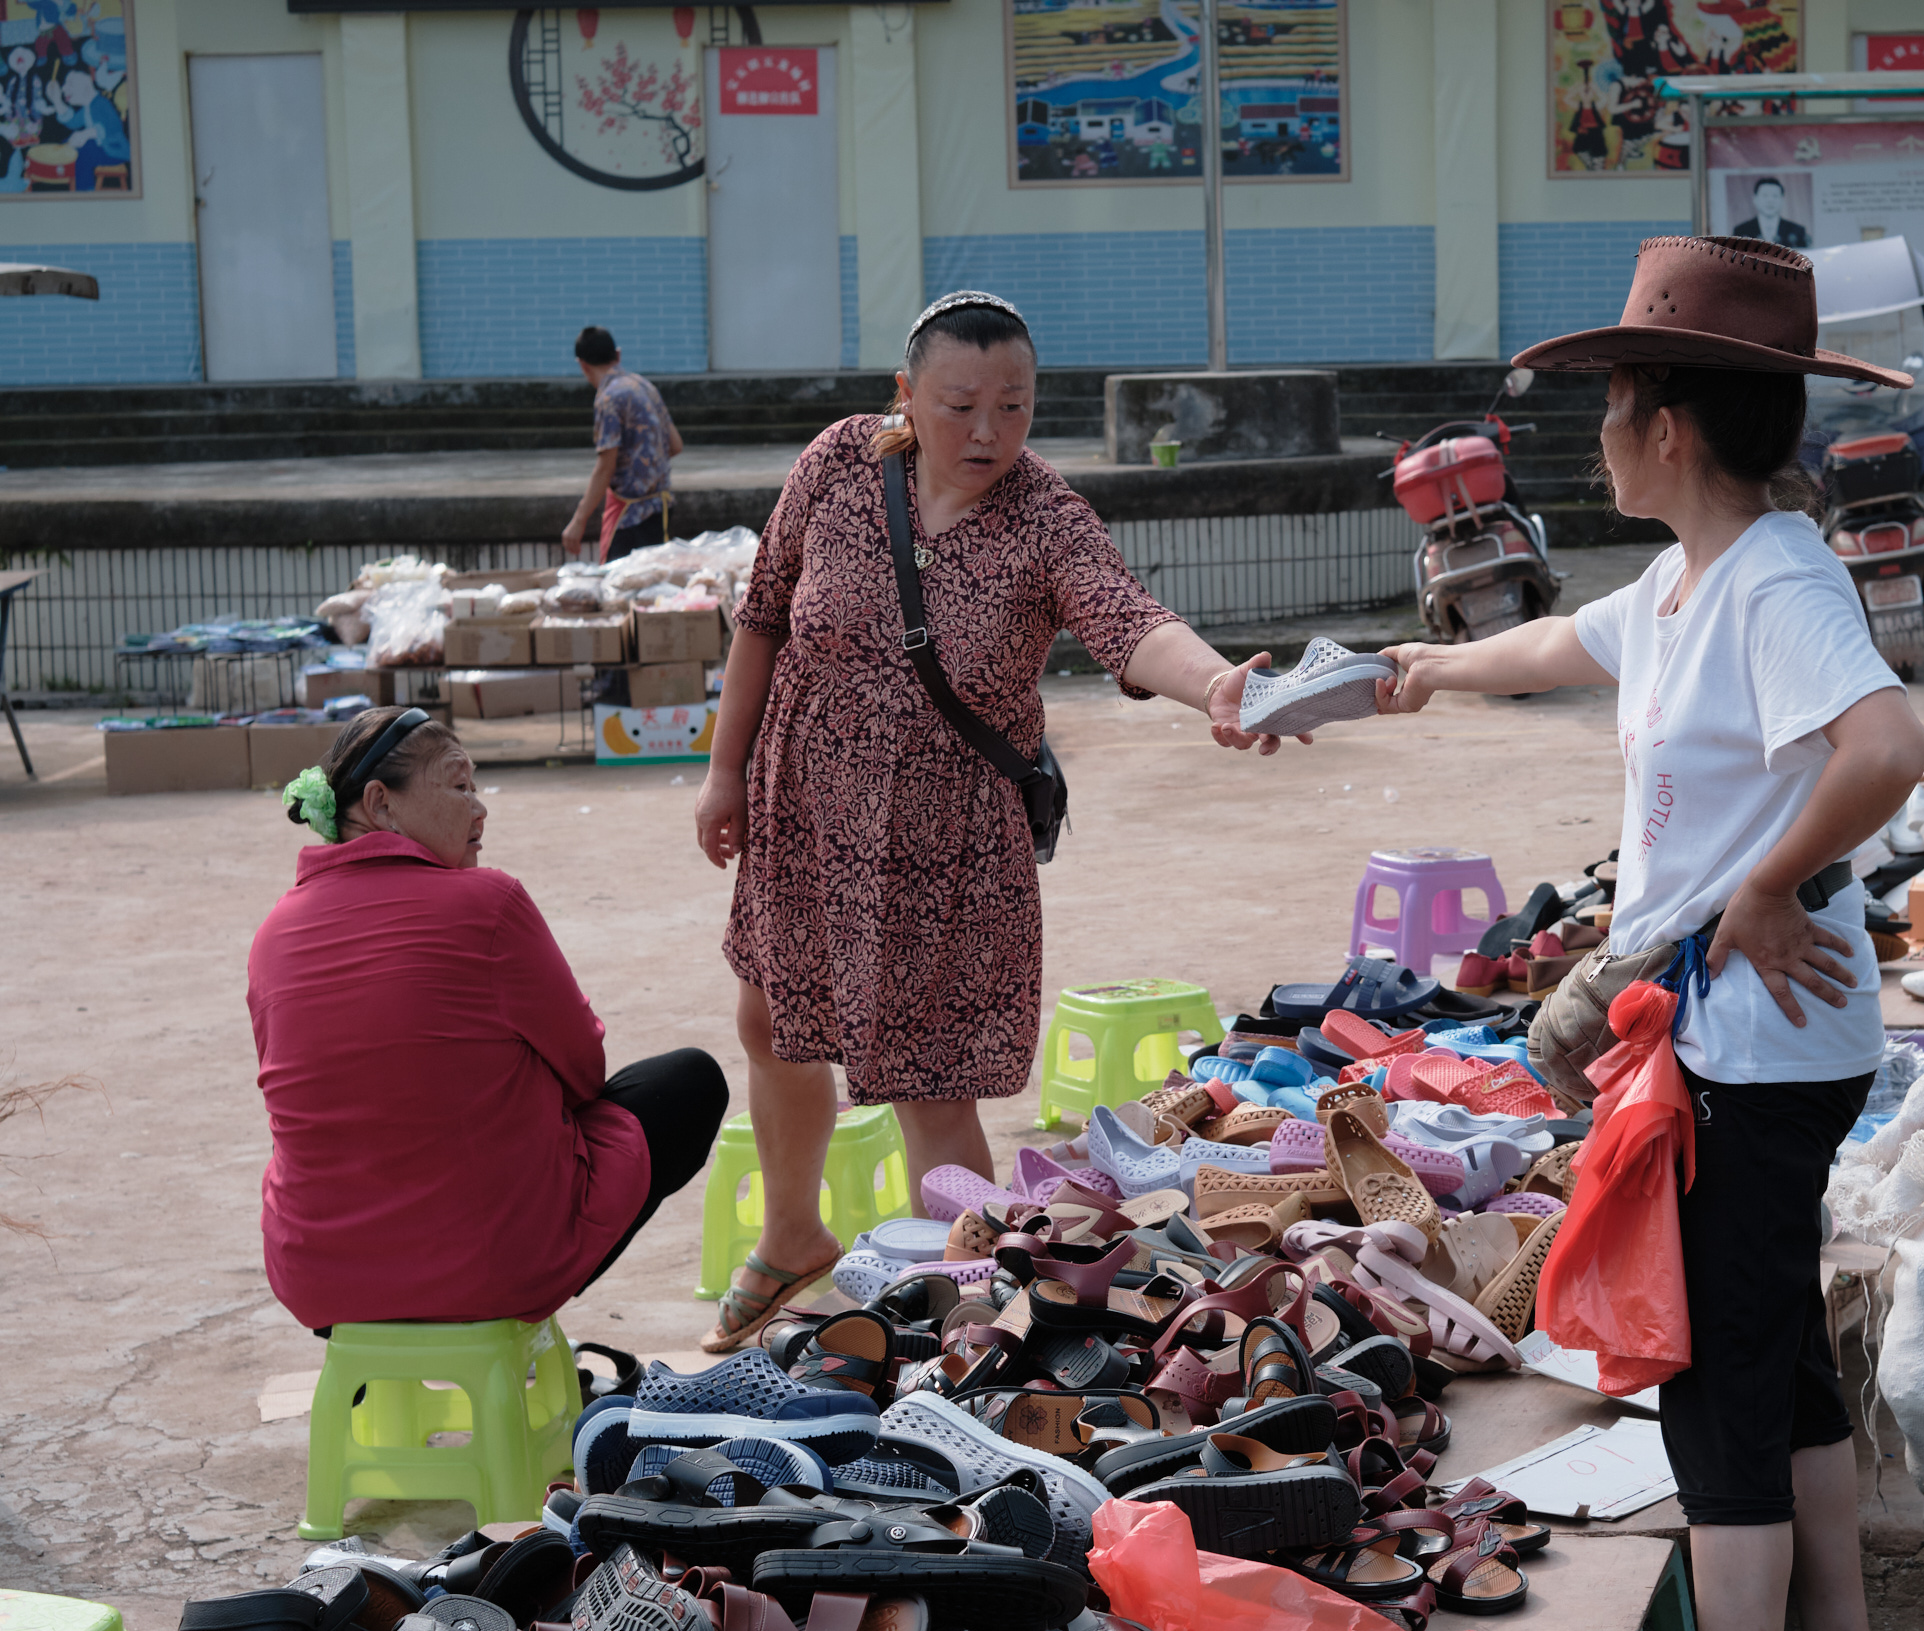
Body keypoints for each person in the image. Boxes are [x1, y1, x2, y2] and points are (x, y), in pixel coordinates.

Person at [1375, 235, 1924, 1631]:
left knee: (1719, 1388)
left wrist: (1757, 884)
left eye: (1611, 404)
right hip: (1729, 1044)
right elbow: (1565, 639)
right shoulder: (1691, 581)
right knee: (1774, 1348)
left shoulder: (1776, 580)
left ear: (1666, 426)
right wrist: (1431, 669)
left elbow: (1889, 745)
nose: (1598, 431)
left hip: (1758, 1052)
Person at [692, 290, 1301, 1354]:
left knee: (929, 1080)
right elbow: (762, 615)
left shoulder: (1046, 518)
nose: (987, 432)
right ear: (906, 398)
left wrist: (1212, 685)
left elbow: (1126, 617)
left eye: (1013, 407)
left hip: (947, 834)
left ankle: (966, 1317)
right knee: (769, 1016)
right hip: (805, 801)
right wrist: (723, 770)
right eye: (960, 404)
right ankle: (792, 1234)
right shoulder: (839, 463)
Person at [252, 707, 725, 1330]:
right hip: (489, 1272)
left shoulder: (273, 933)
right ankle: (505, 1313)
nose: (480, 808)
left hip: (322, 1281)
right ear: (380, 804)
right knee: (688, 1082)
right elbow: (585, 1073)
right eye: (458, 785)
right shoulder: (487, 903)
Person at [563, 326, 684, 564]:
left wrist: (578, 521)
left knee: (620, 594)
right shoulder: (644, 385)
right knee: (652, 592)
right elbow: (675, 444)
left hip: (630, 520)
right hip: (661, 511)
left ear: (582, 365)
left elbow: (605, 467)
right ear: (617, 355)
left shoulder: (609, 398)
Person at [1732, 177, 1808, 248]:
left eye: (1775, 196)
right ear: (1755, 199)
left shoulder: (1797, 231)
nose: (1770, 201)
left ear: (1782, 200)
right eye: (1765, 196)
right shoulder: (1741, 231)